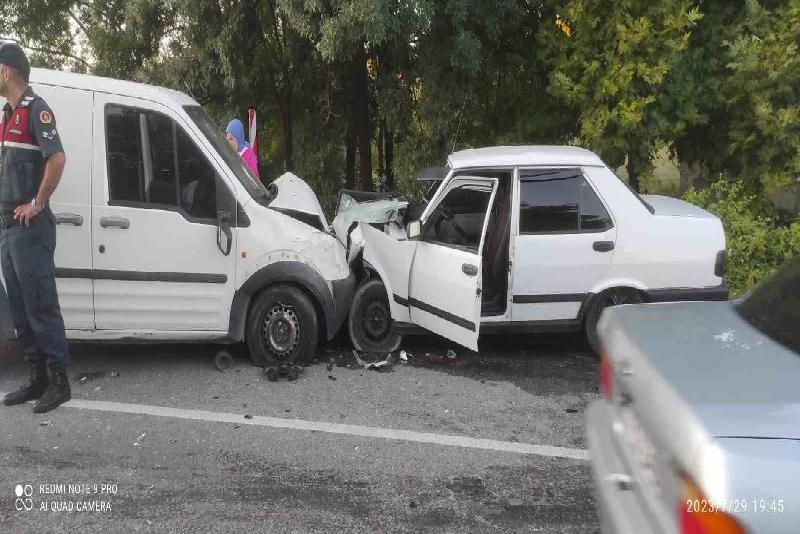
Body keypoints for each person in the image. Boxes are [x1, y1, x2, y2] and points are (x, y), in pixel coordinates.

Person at [0, 43, 71, 413]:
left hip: (31, 227)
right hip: (8, 229)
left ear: (6, 71)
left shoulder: (35, 110)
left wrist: (37, 203)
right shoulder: (7, 114)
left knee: (41, 304)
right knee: (20, 307)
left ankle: (59, 381)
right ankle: (36, 377)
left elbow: (57, 159)